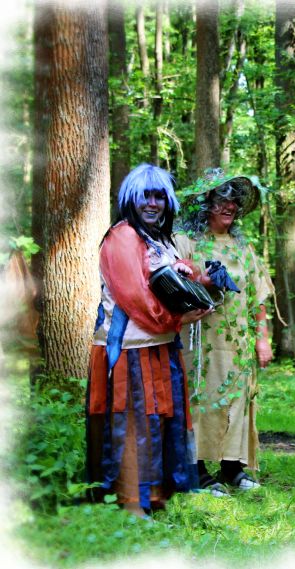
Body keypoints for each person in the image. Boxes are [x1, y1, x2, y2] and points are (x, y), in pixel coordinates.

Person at [86, 163, 209, 518]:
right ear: (131, 199)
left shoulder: (158, 239)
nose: (152, 203)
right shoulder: (122, 236)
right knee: (133, 423)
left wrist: (192, 277)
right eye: (145, 196)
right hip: (128, 349)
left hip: (159, 345)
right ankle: (130, 503)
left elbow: (169, 277)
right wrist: (177, 319)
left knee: (156, 421)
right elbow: (135, 298)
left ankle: (152, 495)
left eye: (159, 196)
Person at [175, 169, 274, 492]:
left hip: (239, 343)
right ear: (206, 205)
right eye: (221, 201)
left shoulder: (243, 248)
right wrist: (198, 283)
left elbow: (258, 296)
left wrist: (262, 340)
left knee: (237, 400)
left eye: (234, 202)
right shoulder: (187, 242)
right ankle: (198, 469)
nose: (229, 207)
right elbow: (171, 283)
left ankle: (233, 468)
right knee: (201, 399)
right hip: (200, 341)